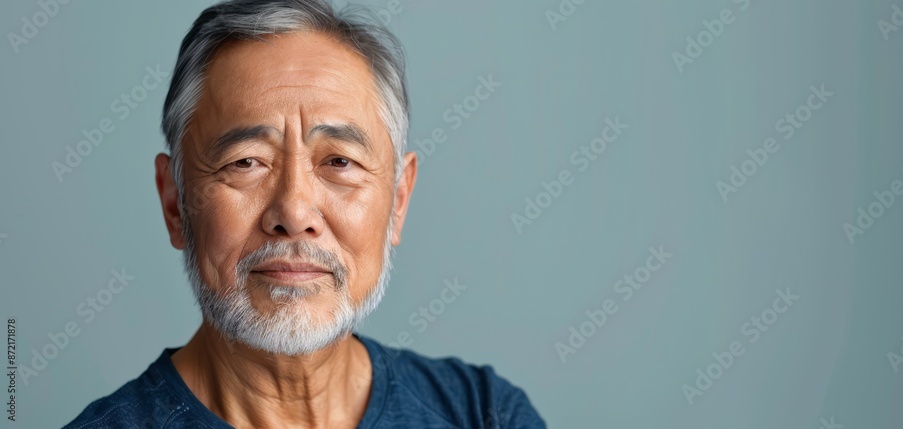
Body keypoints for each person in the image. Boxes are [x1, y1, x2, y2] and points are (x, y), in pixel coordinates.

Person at [65, 0, 545, 427]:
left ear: (398, 200)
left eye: (339, 162)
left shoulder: (484, 414)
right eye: (246, 162)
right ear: (175, 202)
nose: (294, 213)